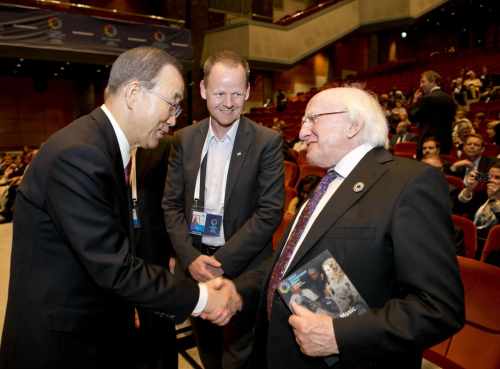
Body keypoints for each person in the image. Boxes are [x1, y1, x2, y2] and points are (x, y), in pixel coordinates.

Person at [0, 47, 239, 369]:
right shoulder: (80, 155)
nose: (174, 118)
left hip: (91, 330)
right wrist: (202, 298)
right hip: (61, 344)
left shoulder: (101, 146)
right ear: (135, 93)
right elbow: (113, 264)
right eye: (172, 103)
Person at [234, 87, 464, 369]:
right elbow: (289, 262)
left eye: (312, 119)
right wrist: (237, 290)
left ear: (353, 125)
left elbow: (439, 307)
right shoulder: (327, 182)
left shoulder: (410, 182)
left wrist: (339, 336)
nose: (302, 133)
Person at [163, 50, 284, 369]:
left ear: (247, 92)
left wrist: (220, 262)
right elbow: (171, 205)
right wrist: (190, 259)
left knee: (240, 356)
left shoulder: (266, 142)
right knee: (208, 350)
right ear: (203, 90)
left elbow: (269, 212)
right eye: (219, 92)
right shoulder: (184, 139)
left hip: (242, 270)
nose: (228, 102)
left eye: (236, 93)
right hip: (195, 266)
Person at [129, 140, 178, 369]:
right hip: (121, 242)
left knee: (158, 318)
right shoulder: (108, 146)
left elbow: (173, 201)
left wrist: (173, 250)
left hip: (154, 243)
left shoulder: (161, 145)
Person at [410, 70, 456, 158]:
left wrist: (415, 101)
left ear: (433, 82)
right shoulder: (449, 98)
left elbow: (413, 118)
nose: (421, 85)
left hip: (428, 143)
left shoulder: (427, 98)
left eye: (423, 82)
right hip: (445, 143)